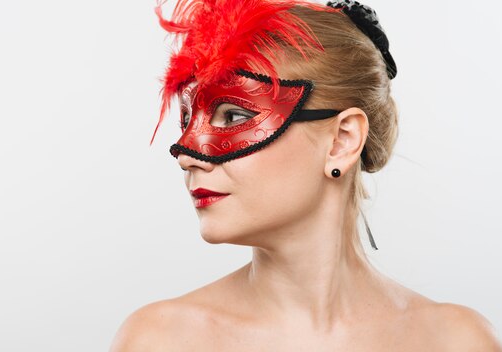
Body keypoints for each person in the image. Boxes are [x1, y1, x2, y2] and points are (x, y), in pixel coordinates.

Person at [110, 0, 502, 350]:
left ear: (342, 141)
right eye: (187, 118)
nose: (187, 156)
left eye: (235, 116)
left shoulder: (456, 341)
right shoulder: (160, 340)